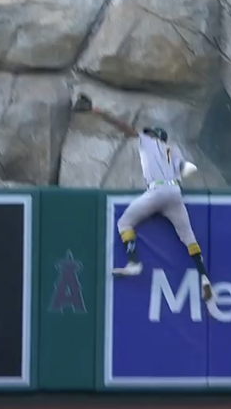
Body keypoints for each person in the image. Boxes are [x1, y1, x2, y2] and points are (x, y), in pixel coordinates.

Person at [72, 94, 212, 302]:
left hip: (156, 192)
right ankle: (204, 278)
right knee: (188, 237)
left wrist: (96, 110)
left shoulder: (148, 142)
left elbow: (122, 126)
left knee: (125, 223)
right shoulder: (174, 150)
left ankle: (133, 262)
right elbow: (185, 169)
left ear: (155, 135)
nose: (145, 134)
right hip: (174, 193)